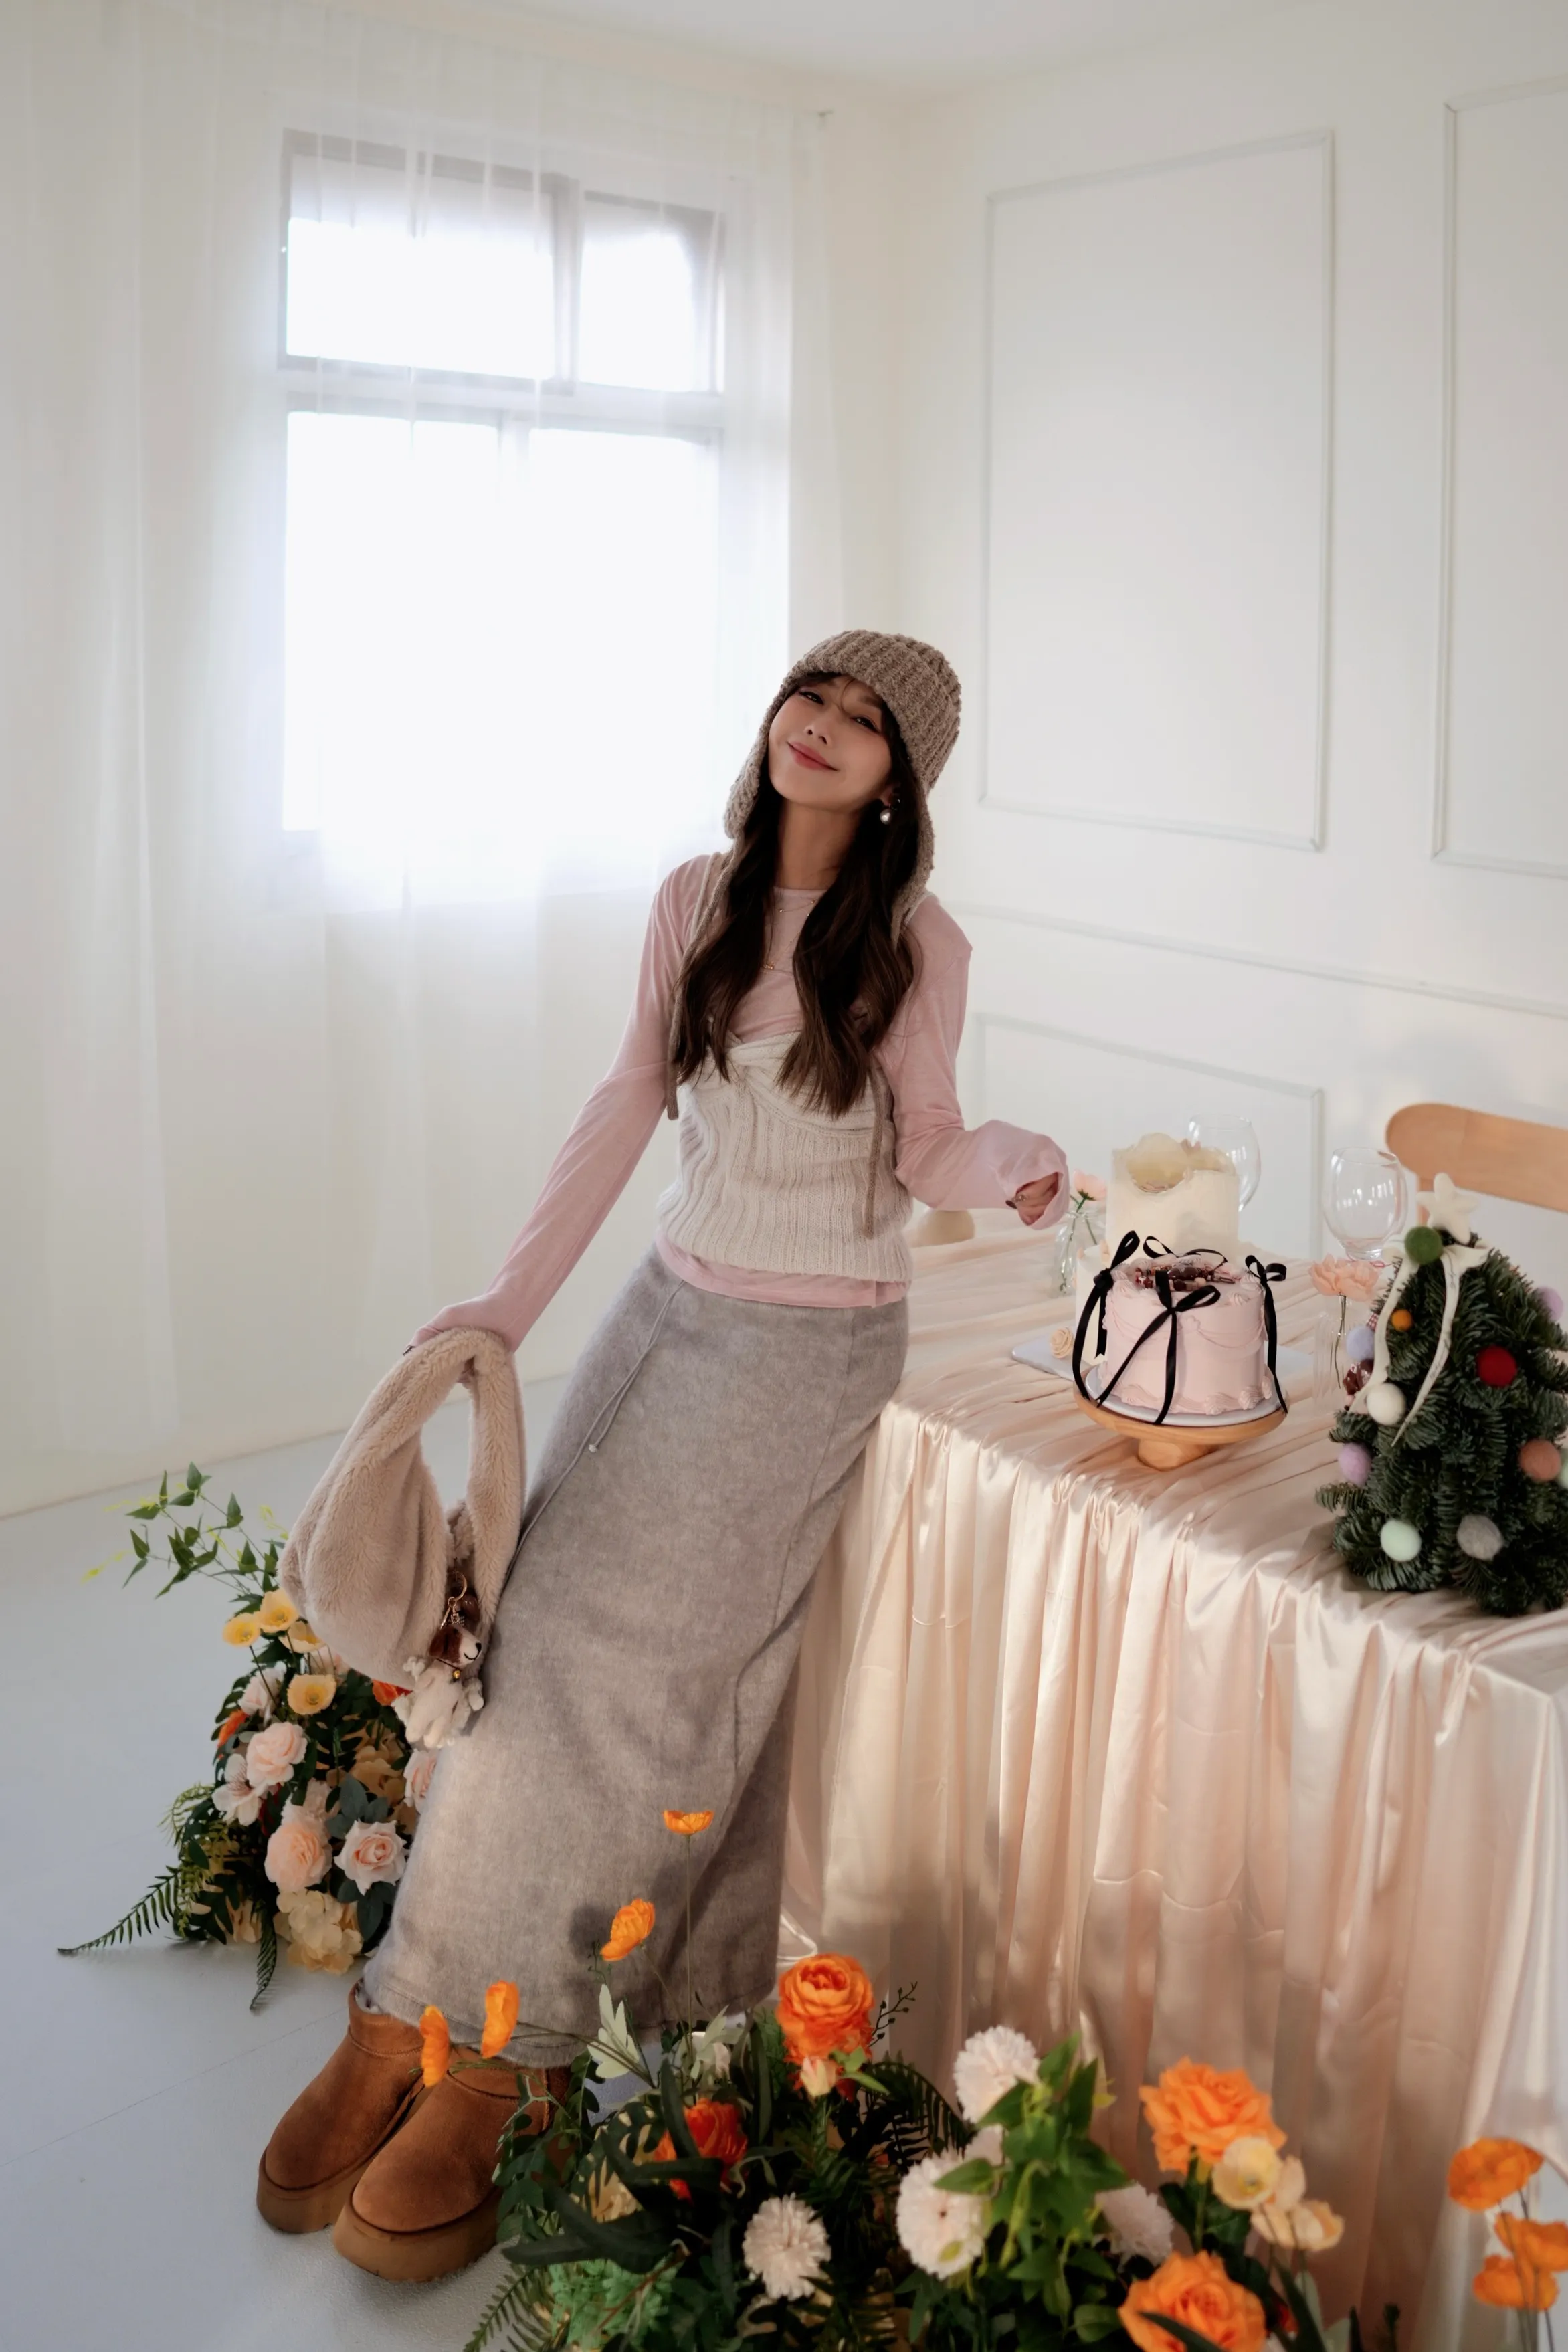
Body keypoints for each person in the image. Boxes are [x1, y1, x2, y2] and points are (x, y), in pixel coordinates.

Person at [254, 629, 1068, 2282]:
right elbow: (625, 1105)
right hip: (663, 1308)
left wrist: (1016, 1160)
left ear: (899, 780)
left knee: (637, 1694)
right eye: (808, 695)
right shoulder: (693, 897)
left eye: (862, 722)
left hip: (805, 1353)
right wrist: (503, 1304)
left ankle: (517, 2051)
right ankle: (408, 2014)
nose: (819, 727)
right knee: (528, 1641)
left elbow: (926, 1145)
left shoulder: (915, 940)